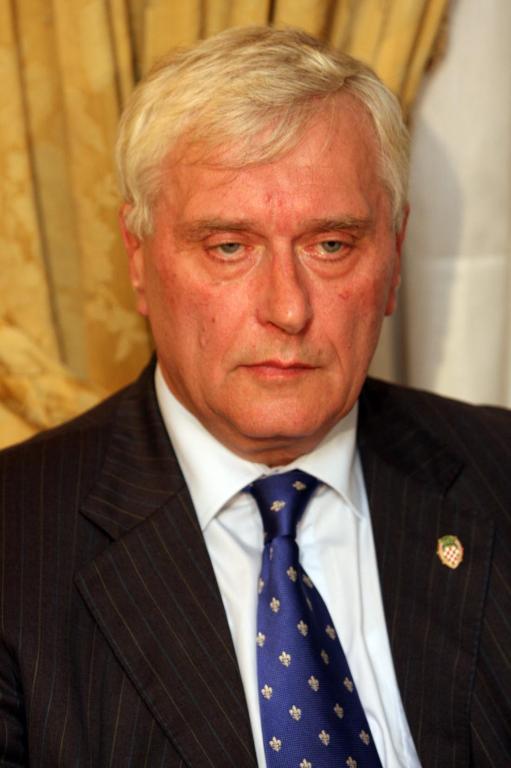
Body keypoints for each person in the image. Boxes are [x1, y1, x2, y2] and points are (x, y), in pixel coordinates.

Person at [0, 26, 509, 768]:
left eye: (330, 245)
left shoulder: (498, 472)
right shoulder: (15, 544)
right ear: (138, 260)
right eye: (229, 247)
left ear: (394, 257)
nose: (287, 309)